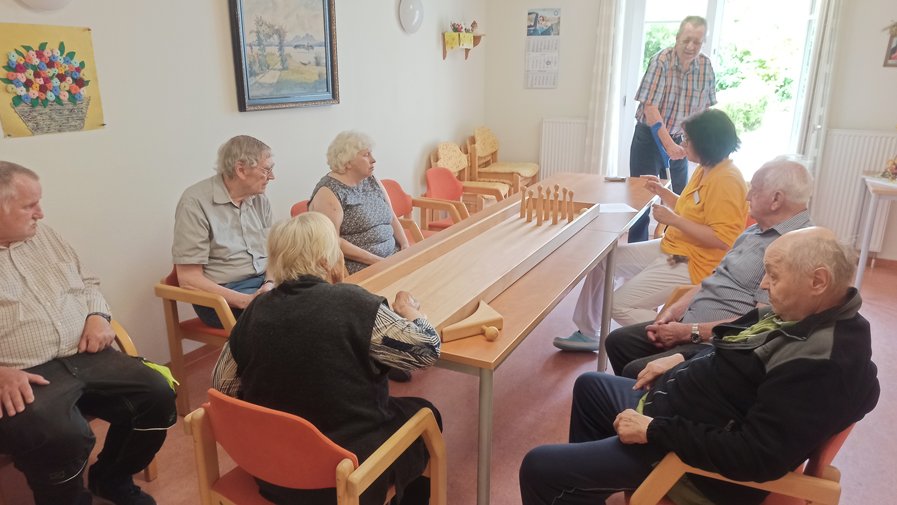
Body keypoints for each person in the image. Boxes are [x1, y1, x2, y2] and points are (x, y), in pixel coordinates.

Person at [521, 227, 880, 505]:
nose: (763, 284)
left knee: (540, 467)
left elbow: (757, 456)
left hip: (693, 464)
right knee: (591, 386)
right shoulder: (803, 314)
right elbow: (730, 346)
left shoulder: (822, 363)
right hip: (679, 412)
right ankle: (588, 489)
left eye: (774, 275)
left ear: (818, 281)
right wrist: (680, 357)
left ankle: (589, 481)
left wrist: (654, 431)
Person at [213, 212, 441, 505]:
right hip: (345, 477)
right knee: (426, 414)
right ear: (324, 261)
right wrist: (412, 312)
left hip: (272, 472)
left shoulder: (254, 312)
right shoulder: (352, 303)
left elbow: (222, 385)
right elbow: (427, 350)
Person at [0, 162, 177, 505]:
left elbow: (88, 283)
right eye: (29, 205)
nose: (40, 213)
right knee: (63, 435)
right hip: (21, 373)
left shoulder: (45, 236)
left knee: (158, 393)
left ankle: (111, 478)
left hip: (85, 354)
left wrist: (98, 315)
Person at [554, 109, 747, 352]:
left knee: (618, 304)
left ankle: (673, 339)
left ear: (706, 143)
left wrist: (674, 221)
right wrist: (663, 192)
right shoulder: (706, 169)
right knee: (603, 260)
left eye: (687, 140)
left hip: (694, 262)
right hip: (674, 248)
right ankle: (589, 332)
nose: (682, 144)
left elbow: (721, 239)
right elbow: (694, 210)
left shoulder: (727, 180)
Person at [606, 157, 814, 377]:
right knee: (619, 341)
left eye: (754, 189)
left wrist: (689, 332)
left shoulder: (792, 248)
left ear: (776, 200)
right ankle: (641, 401)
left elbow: (760, 322)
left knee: (633, 367)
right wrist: (675, 310)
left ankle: (651, 404)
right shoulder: (755, 230)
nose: (747, 196)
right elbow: (717, 275)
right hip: (685, 292)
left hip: (716, 341)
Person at [628, 15, 716, 243]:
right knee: (643, 196)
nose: (690, 47)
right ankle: (636, 247)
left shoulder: (705, 66)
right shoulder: (661, 62)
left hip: (682, 140)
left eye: (697, 42)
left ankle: (674, 246)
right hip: (649, 138)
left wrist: (695, 145)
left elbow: (705, 110)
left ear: (703, 42)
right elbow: (650, 107)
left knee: (682, 195)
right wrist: (668, 144)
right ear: (677, 38)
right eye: (686, 40)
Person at [172, 135, 275, 328]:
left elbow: (273, 254)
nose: (272, 177)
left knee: (318, 302)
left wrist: (269, 284)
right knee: (289, 319)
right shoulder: (195, 203)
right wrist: (246, 300)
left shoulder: (259, 199)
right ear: (241, 170)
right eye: (266, 170)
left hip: (264, 286)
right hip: (223, 297)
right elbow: (188, 278)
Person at [309, 130, 409, 276]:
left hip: (393, 257)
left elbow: (392, 216)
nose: (373, 159)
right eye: (366, 155)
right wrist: (379, 261)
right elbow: (332, 242)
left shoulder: (371, 179)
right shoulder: (329, 191)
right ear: (347, 162)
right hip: (362, 267)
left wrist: (406, 246)